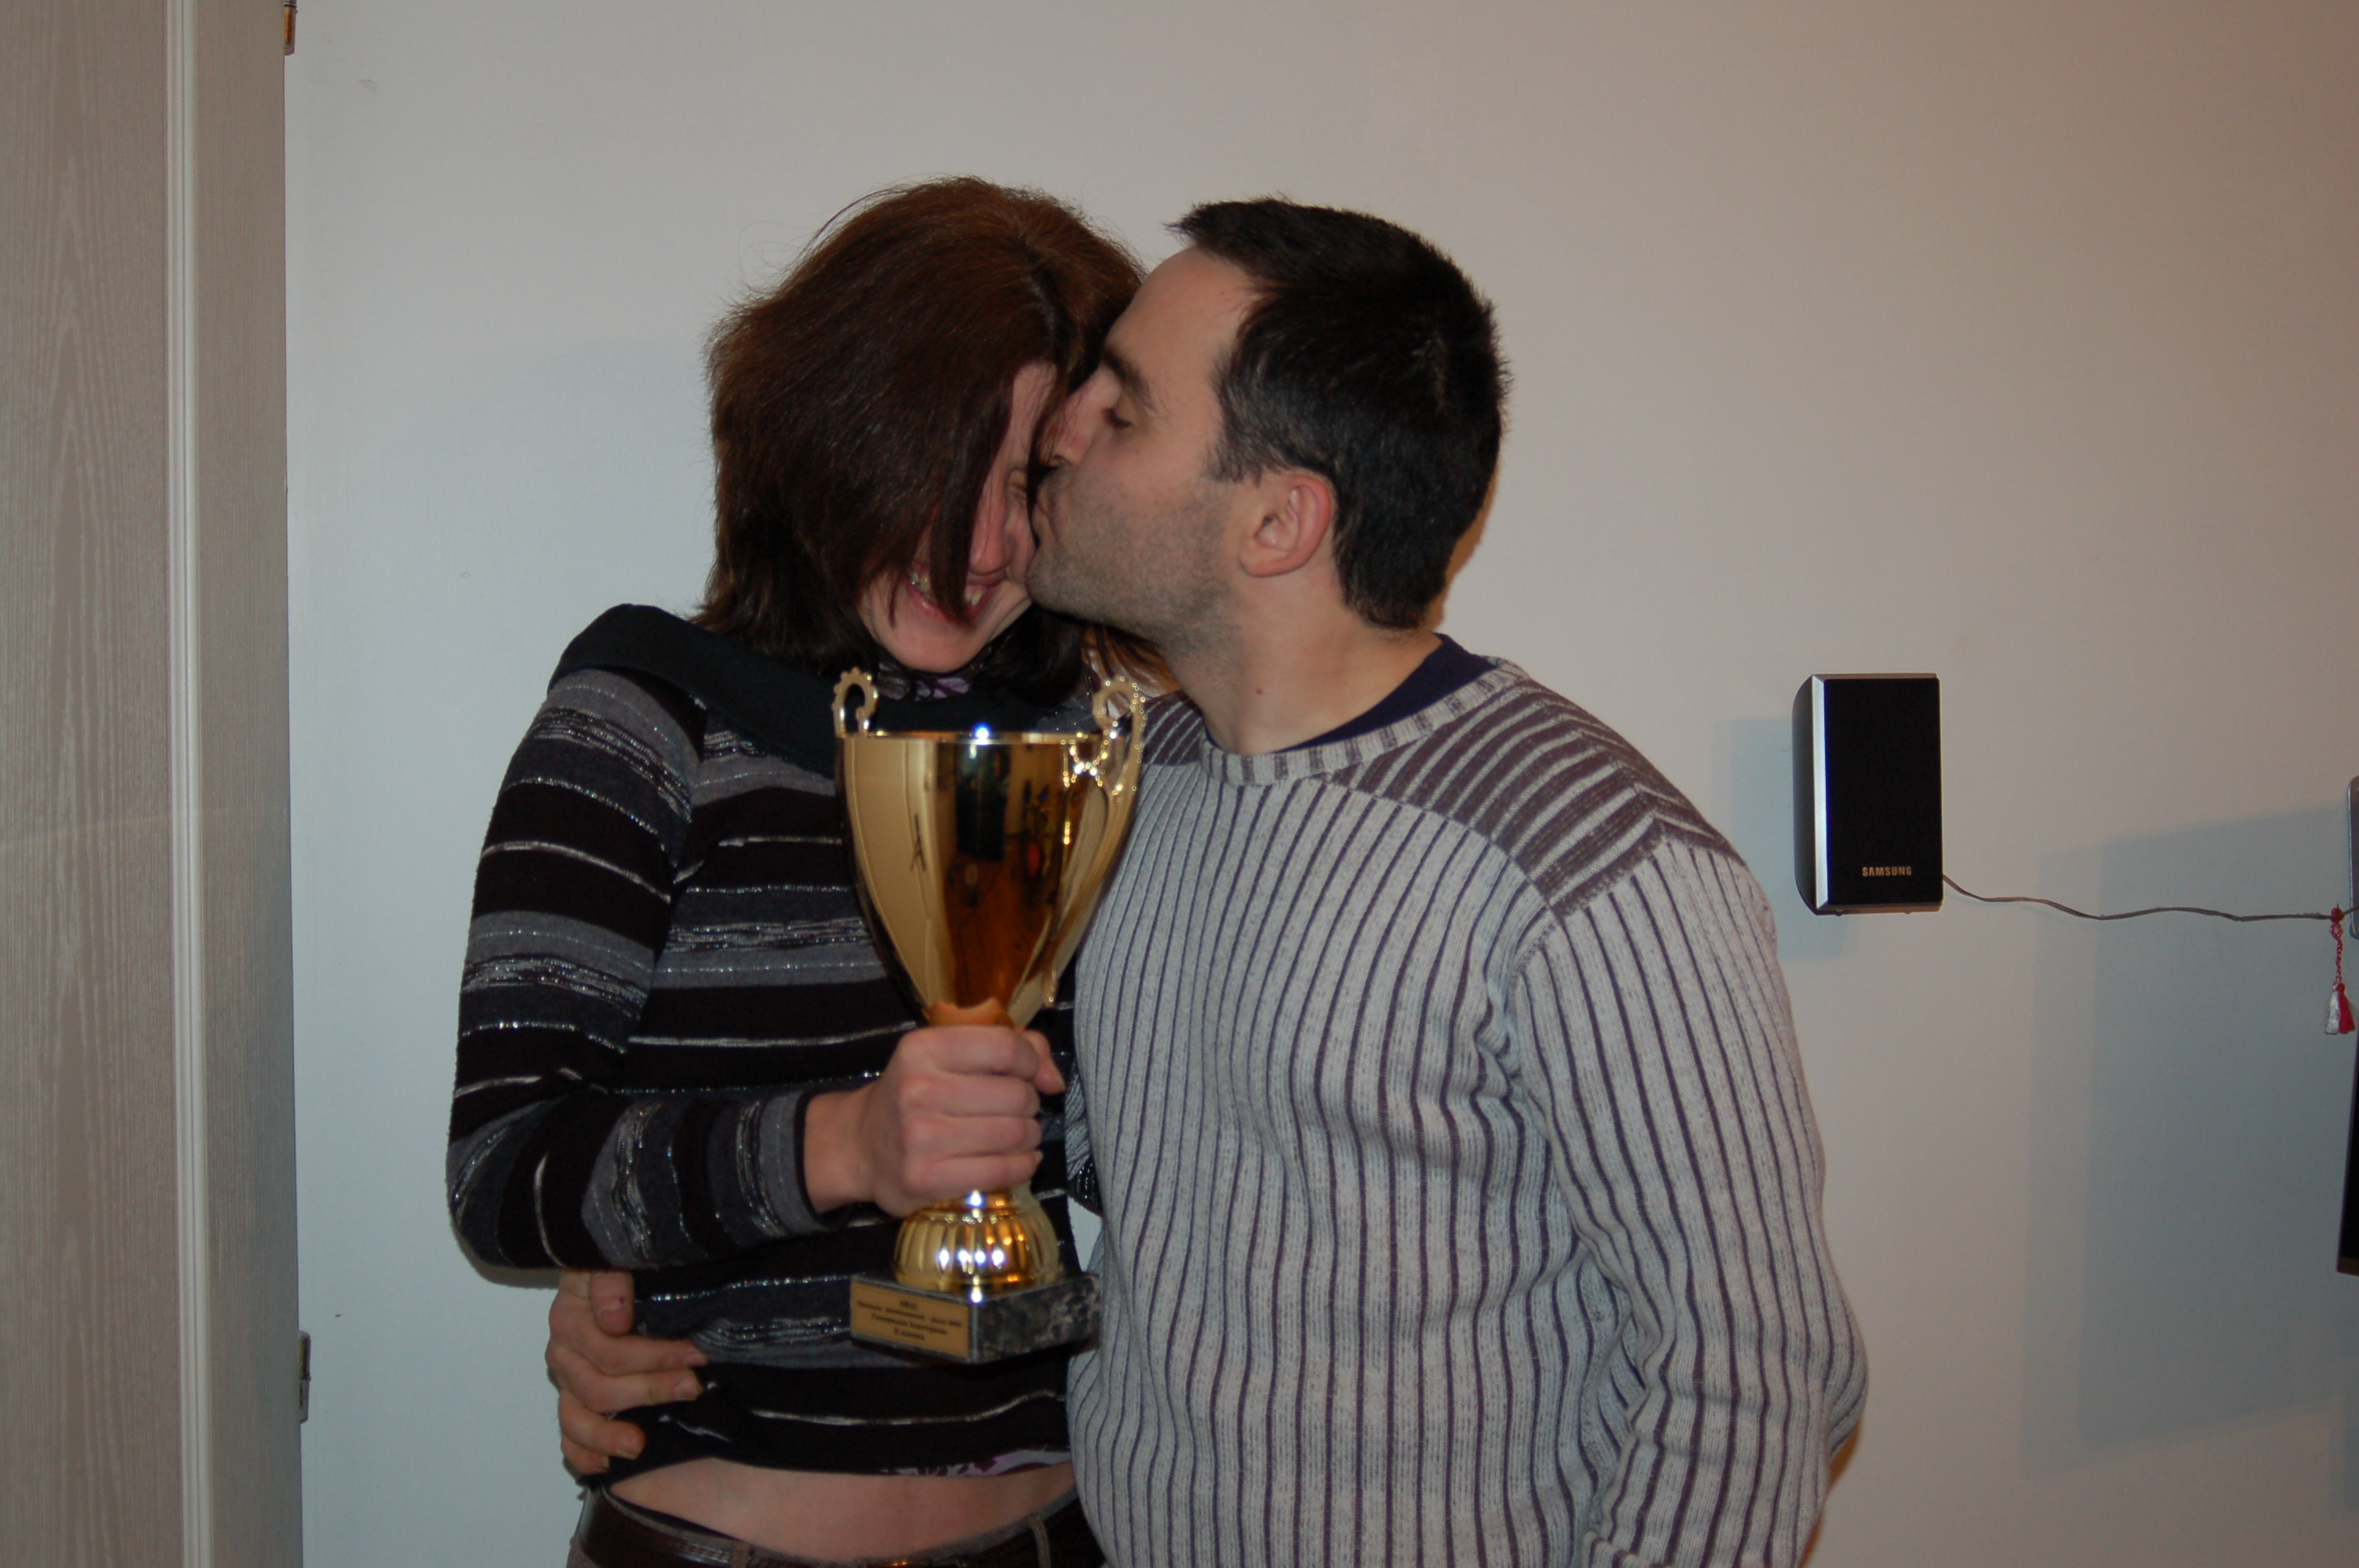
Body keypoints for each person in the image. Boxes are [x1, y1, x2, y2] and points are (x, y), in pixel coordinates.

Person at [558, 198, 1868, 1566]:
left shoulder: (1591, 868)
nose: (1059, 436)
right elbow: (1032, 1158)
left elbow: (1755, 1376)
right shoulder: (1119, 791)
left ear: (1278, 523)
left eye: (1120, 412)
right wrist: (633, 1281)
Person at [447, 178, 1138, 1568]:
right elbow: (506, 1172)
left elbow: (1183, 1160)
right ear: (833, 431)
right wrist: (844, 1148)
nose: (982, 547)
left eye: (1031, 483)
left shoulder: (1103, 756)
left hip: (1059, 1533)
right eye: (943, 462)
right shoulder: (644, 721)